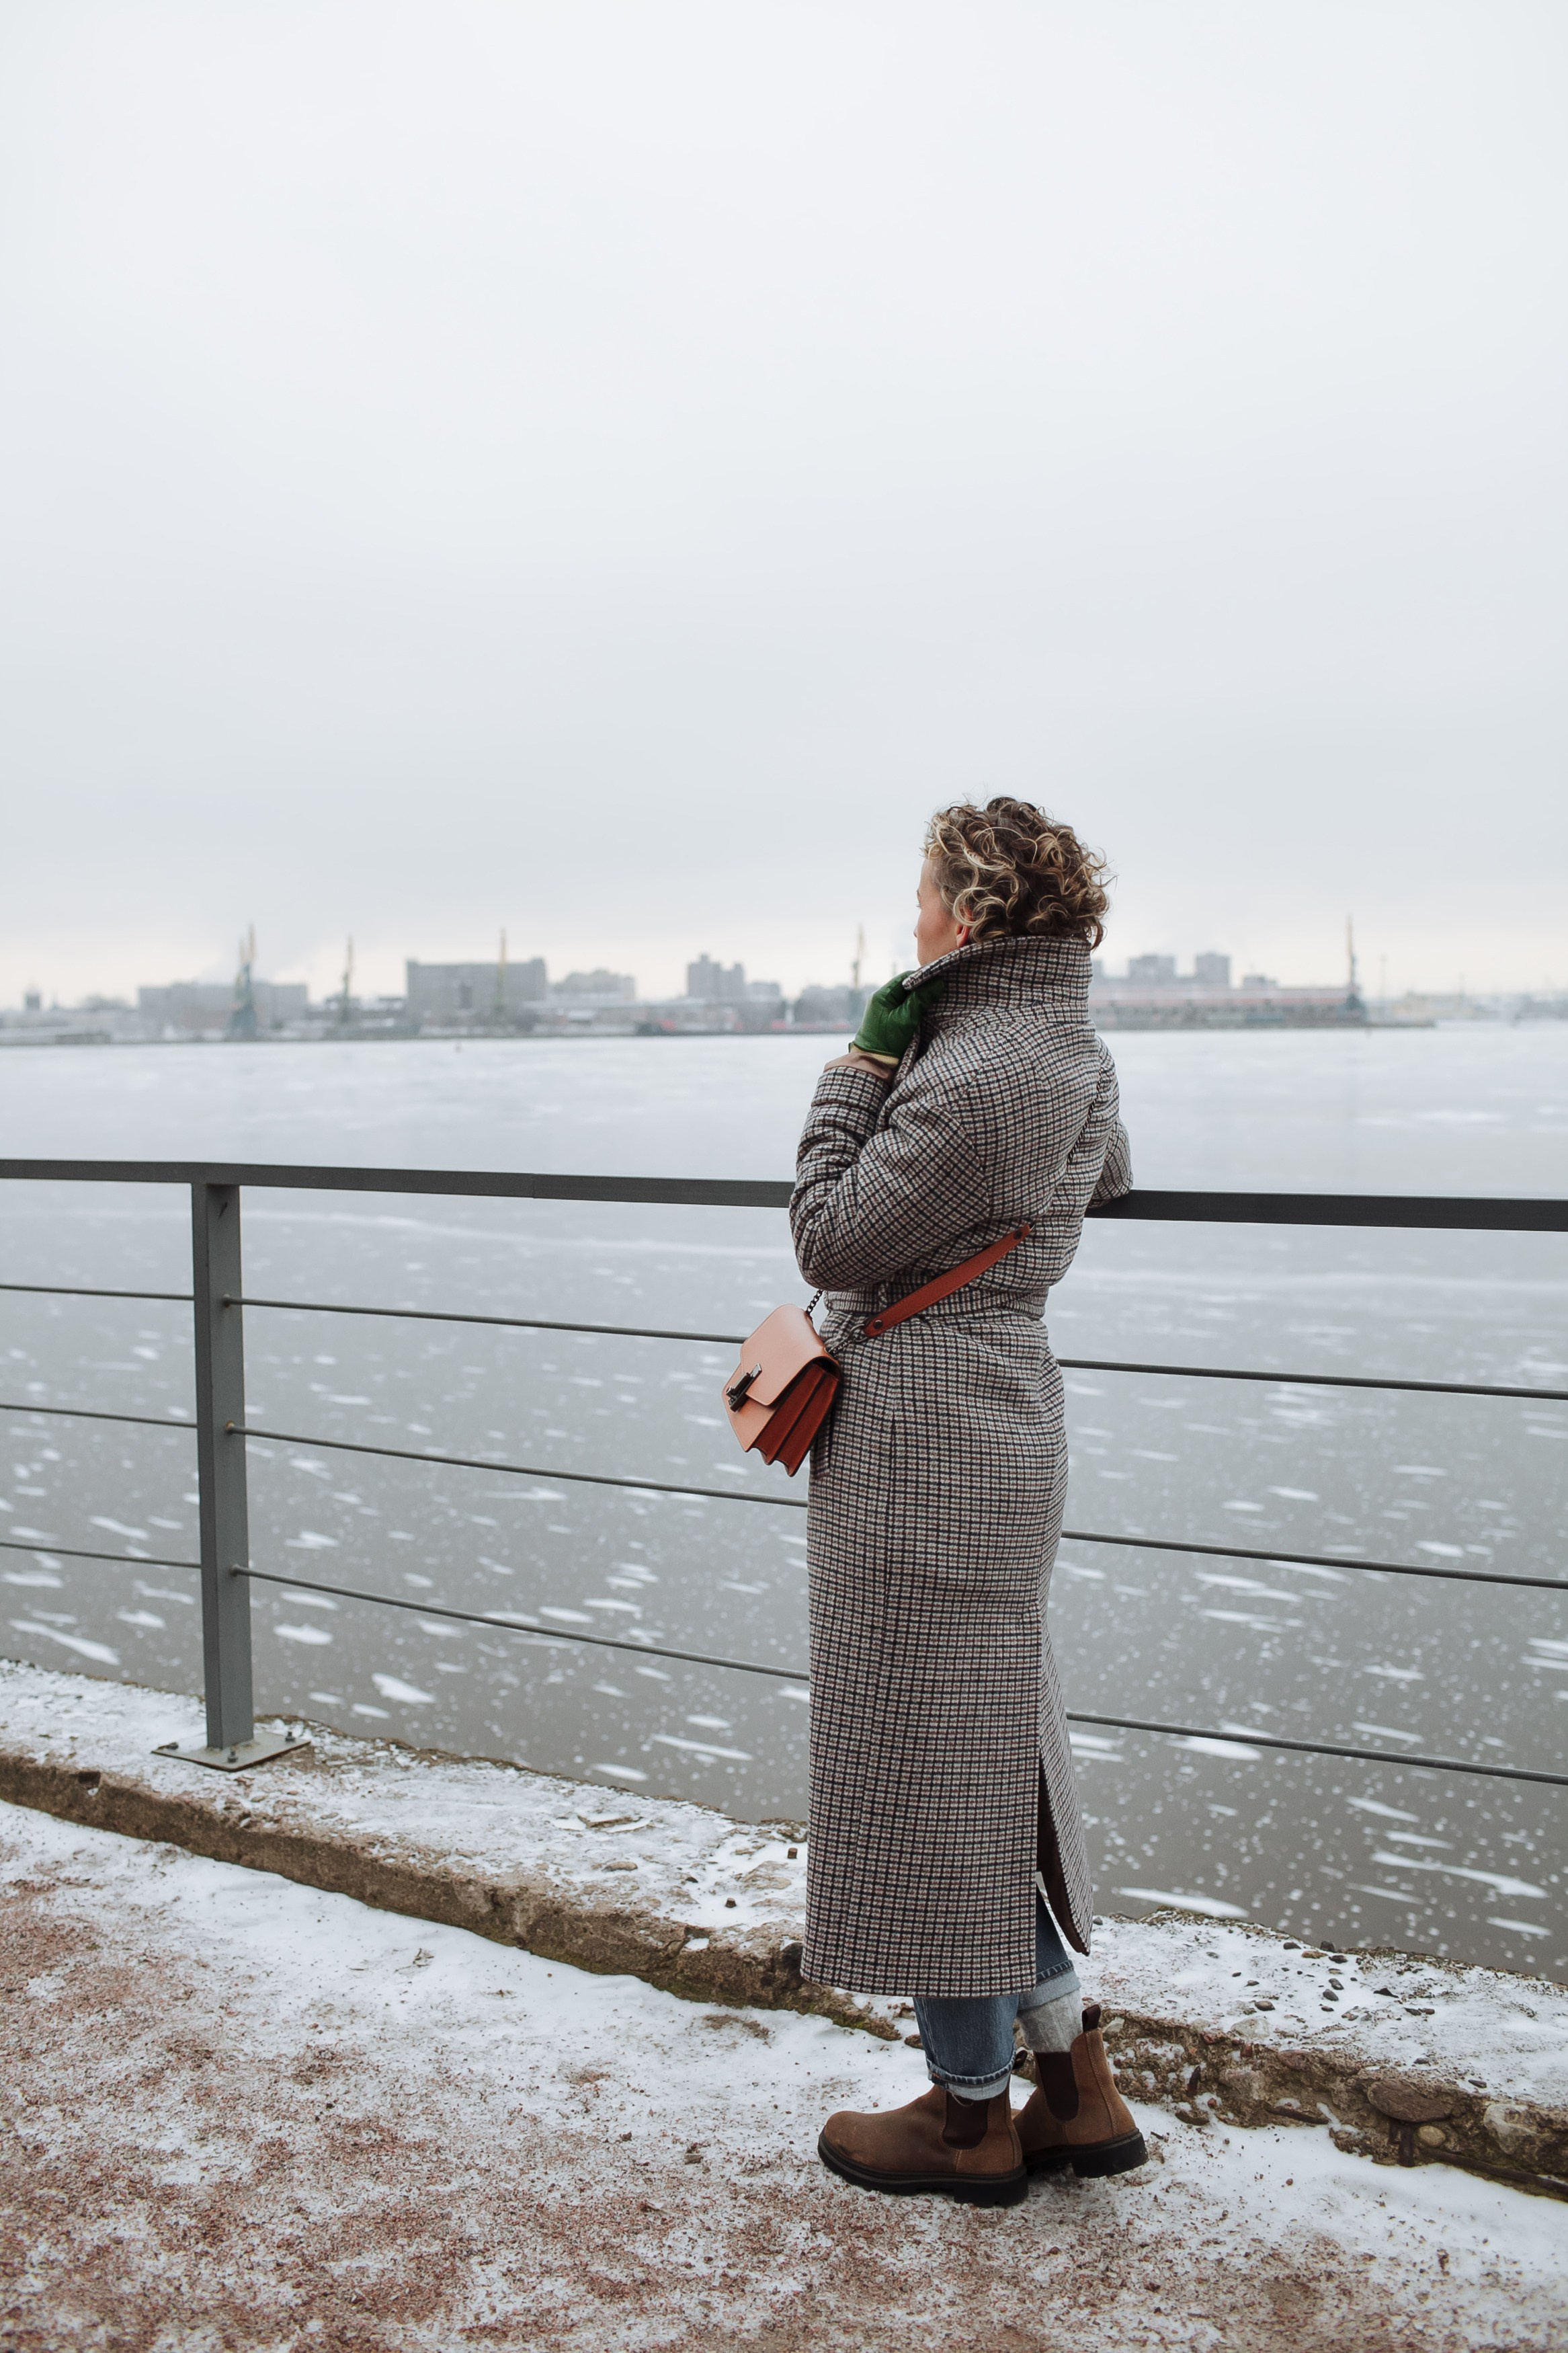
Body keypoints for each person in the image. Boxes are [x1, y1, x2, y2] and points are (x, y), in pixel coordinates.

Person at [790, 796, 1146, 2206]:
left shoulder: (974, 1063)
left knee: (932, 1770)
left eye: (927, 893)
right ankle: (1076, 2082)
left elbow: (826, 1225)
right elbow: (1102, 1178)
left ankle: (965, 2117)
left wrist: (859, 1065)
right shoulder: (1070, 1046)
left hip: (920, 1441)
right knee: (986, 1751)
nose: (914, 915)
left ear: (975, 913)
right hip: (1005, 1413)